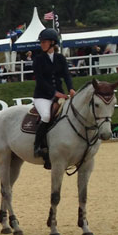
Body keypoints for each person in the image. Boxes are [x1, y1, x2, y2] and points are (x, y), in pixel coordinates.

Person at [32, 28, 75, 169]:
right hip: (42, 96)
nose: (41, 44)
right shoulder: (38, 59)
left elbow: (66, 75)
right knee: (45, 116)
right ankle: (38, 145)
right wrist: (55, 93)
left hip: (61, 94)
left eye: (44, 42)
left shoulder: (60, 58)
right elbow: (40, 80)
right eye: (41, 42)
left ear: (52, 43)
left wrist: (71, 88)